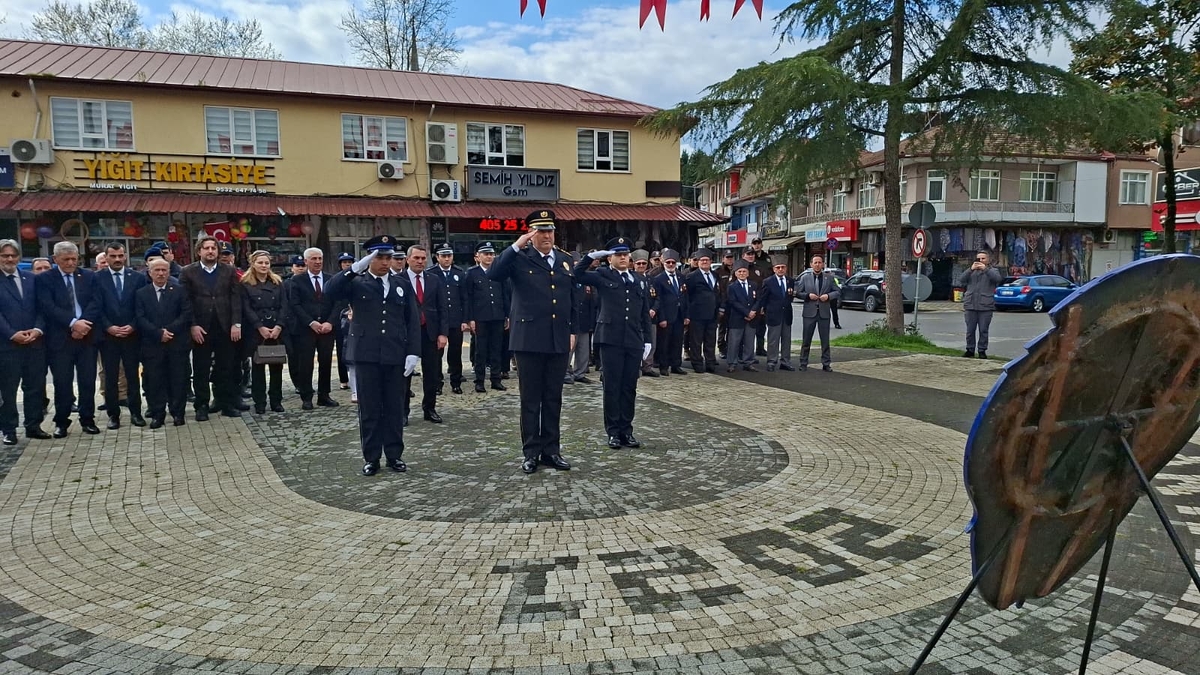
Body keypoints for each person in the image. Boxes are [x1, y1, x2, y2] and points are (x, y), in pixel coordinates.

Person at [487, 210, 575, 474]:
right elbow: (494, 273)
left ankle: (551, 450)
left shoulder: (565, 260)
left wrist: (574, 330)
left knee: (553, 398)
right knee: (531, 399)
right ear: (531, 234)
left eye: (550, 231)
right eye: (541, 231)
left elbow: (573, 299)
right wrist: (516, 245)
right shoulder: (519, 258)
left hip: (558, 338)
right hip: (528, 339)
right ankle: (531, 452)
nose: (547, 236)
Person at [324, 236, 421, 476]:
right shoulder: (357, 282)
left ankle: (394, 455)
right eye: (380, 258)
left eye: (389, 258)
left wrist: (413, 352)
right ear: (369, 258)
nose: (386, 262)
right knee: (369, 409)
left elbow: (412, 320)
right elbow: (330, 290)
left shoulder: (401, 283)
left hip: (394, 353)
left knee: (394, 408)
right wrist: (355, 268)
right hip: (366, 354)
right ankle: (372, 457)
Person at [575, 237, 653, 449]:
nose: (623, 258)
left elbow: (644, 312)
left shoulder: (638, 279)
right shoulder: (603, 275)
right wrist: (590, 257)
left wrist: (648, 340)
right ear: (610, 258)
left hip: (633, 339)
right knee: (612, 386)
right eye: (618, 255)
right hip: (610, 339)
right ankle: (613, 432)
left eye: (625, 254)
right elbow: (577, 274)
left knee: (629, 387)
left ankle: (627, 430)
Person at [36, 241, 101, 437]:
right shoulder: (45, 279)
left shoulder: (88, 276)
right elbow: (48, 306)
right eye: (66, 259)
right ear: (55, 259)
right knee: (62, 383)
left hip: (86, 337)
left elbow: (96, 302)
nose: (71, 263)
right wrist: (73, 323)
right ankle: (61, 422)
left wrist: (83, 325)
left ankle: (87, 419)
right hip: (60, 339)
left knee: (88, 381)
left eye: (74, 259)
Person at [180, 235, 244, 420]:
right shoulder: (187, 272)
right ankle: (202, 405)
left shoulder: (229, 271)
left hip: (225, 327)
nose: (210, 251)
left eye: (213, 248)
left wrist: (236, 323)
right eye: (206, 248)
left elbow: (236, 298)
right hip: (201, 328)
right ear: (199, 251)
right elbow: (185, 301)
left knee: (226, 367)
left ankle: (226, 404)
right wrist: (193, 325)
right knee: (201, 368)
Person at [93, 241, 147, 429]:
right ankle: (113, 415)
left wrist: (133, 325)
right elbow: (96, 306)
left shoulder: (137, 278)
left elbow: (142, 306)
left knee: (133, 376)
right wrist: (108, 327)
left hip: (132, 336)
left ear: (125, 256)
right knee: (111, 377)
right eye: (113, 256)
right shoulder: (97, 278)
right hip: (108, 337)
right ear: (106, 257)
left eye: (120, 255)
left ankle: (136, 413)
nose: (117, 259)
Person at [0, 238, 50, 444]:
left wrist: (37, 330)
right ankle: (9, 429)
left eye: (13, 255)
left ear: (19, 257)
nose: (10, 259)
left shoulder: (31, 279)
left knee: (35, 387)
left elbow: (42, 307)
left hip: (34, 344)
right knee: (8, 390)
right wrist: (12, 334)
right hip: (7, 345)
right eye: (5, 255)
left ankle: (33, 425)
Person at [135, 258, 192, 428]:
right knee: (155, 380)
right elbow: (140, 317)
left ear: (169, 272)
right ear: (149, 273)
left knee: (178, 379)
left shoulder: (180, 291)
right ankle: (158, 414)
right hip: (153, 344)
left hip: (176, 343)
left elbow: (186, 314)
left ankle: (178, 413)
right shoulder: (142, 293)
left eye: (164, 270)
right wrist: (158, 333)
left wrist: (169, 331)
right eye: (157, 270)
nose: (160, 273)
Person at [287, 247, 337, 410]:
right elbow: (295, 304)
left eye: (320, 258)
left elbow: (338, 302)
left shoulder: (331, 279)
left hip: (327, 329)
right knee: (305, 363)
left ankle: (324, 395)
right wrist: (310, 322)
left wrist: (330, 322)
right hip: (305, 329)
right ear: (306, 261)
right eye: (314, 259)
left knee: (326, 362)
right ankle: (306, 396)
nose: (317, 262)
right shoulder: (297, 280)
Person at [404, 245, 449, 423]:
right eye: (416, 258)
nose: (420, 261)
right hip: (407, 334)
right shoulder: (399, 280)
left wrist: (443, 333)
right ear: (408, 259)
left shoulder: (434, 279)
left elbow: (442, 308)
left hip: (430, 332)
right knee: (405, 373)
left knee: (431, 373)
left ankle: (429, 409)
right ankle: (403, 412)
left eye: (423, 258)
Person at [242, 250, 289, 415]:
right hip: (256, 330)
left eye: (266, 263)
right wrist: (259, 326)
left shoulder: (277, 282)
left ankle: (276, 400)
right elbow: (246, 308)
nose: (264, 266)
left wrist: (279, 326)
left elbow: (284, 305)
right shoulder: (246, 284)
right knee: (258, 368)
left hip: (276, 329)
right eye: (260, 262)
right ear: (253, 264)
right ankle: (259, 402)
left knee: (276, 367)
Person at [465, 242, 509, 392]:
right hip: (480, 317)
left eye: (491, 254)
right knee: (480, 350)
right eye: (486, 254)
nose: (489, 257)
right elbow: (468, 297)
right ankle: (479, 381)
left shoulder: (499, 272)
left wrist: (507, 315)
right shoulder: (472, 273)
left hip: (497, 315)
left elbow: (505, 295)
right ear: (478, 256)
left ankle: (496, 379)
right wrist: (470, 318)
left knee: (496, 349)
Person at [432, 243, 469, 394]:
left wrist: (465, 320)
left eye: (449, 256)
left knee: (455, 352)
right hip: (438, 320)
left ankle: (456, 381)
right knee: (437, 354)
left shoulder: (459, 273)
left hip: (455, 319)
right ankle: (437, 383)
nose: (447, 259)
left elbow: (464, 298)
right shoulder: (432, 273)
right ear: (437, 257)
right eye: (443, 256)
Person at [796, 255, 839, 372]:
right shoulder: (805, 278)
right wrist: (808, 296)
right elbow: (798, 293)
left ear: (823, 264)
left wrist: (828, 296)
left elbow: (837, 291)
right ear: (811, 264)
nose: (817, 265)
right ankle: (803, 363)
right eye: (815, 262)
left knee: (825, 340)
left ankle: (826, 363)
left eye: (820, 262)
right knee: (806, 340)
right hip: (809, 313)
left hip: (824, 313)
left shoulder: (829, 278)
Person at [956, 250, 1002, 359]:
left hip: (985, 306)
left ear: (988, 260)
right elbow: (961, 280)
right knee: (970, 330)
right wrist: (970, 269)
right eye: (978, 258)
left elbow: (997, 279)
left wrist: (985, 269)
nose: (980, 260)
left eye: (983, 258)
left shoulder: (993, 270)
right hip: (970, 305)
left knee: (983, 330)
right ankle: (970, 350)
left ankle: (982, 351)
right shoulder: (971, 271)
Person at [650, 248, 688, 376]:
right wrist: (661, 318)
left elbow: (685, 297)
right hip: (666, 315)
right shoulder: (659, 279)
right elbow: (658, 299)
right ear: (663, 263)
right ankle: (664, 366)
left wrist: (686, 315)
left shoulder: (681, 277)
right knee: (664, 342)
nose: (671, 265)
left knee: (677, 341)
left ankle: (676, 365)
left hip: (679, 314)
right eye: (668, 262)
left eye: (673, 262)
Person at [755, 255, 796, 371]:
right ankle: (771, 361)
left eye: (783, 267)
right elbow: (763, 298)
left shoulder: (790, 281)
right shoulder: (768, 282)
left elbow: (790, 296)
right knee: (773, 340)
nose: (780, 269)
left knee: (786, 339)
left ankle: (785, 361)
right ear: (774, 269)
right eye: (778, 267)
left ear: (786, 268)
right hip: (773, 314)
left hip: (786, 314)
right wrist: (762, 309)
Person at [683, 249, 720, 373]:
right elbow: (687, 296)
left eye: (707, 260)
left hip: (712, 314)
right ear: (698, 262)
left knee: (710, 340)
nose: (704, 262)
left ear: (711, 261)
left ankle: (710, 362)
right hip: (697, 314)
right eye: (702, 260)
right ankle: (697, 363)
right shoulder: (692, 277)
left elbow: (717, 292)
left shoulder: (715, 275)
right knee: (696, 341)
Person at [567, 253, 598, 385]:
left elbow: (592, 302)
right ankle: (565, 373)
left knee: (583, 349)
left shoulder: (586, 281)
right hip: (571, 321)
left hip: (584, 320)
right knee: (569, 349)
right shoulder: (567, 279)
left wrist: (591, 321)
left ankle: (580, 373)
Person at [723, 260, 759, 372]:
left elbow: (758, 299)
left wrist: (753, 311)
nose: (742, 273)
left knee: (749, 342)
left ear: (748, 273)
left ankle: (748, 362)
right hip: (737, 318)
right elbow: (733, 302)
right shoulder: (732, 286)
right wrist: (746, 313)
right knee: (734, 342)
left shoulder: (754, 285)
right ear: (735, 273)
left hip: (752, 318)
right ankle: (732, 363)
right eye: (739, 272)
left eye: (744, 271)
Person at [631, 249, 658, 378]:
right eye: (639, 263)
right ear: (634, 264)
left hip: (650, 316)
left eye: (644, 263)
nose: (641, 266)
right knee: (636, 342)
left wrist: (654, 309)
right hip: (636, 317)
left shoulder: (651, 279)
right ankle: (635, 366)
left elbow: (658, 297)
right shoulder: (630, 278)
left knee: (651, 342)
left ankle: (648, 366)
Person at [334, 253, 354, 389]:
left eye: (349, 262)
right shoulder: (337, 280)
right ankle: (343, 379)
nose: (347, 264)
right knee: (342, 348)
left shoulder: (358, 278)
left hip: (356, 317)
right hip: (341, 318)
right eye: (344, 262)